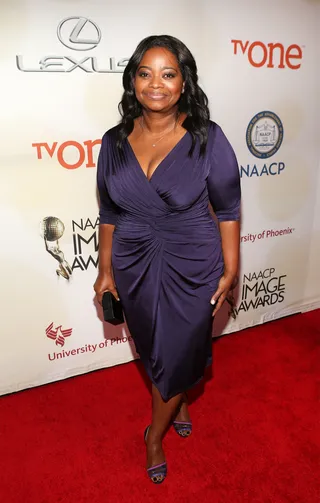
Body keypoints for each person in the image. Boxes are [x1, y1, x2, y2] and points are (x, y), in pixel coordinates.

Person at [94, 35, 241, 484]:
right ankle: (178, 398)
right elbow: (110, 212)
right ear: (133, 80)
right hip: (134, 262)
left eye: (168, 73)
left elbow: (229, 209)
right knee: (156, 350)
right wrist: (105, 269)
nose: (156, 84)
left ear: (183, 83)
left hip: (193, 262)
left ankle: (153, 436)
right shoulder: (113, 142)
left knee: (180, 349)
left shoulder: (207, 138)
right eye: (145, 73)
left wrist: (231, 269)